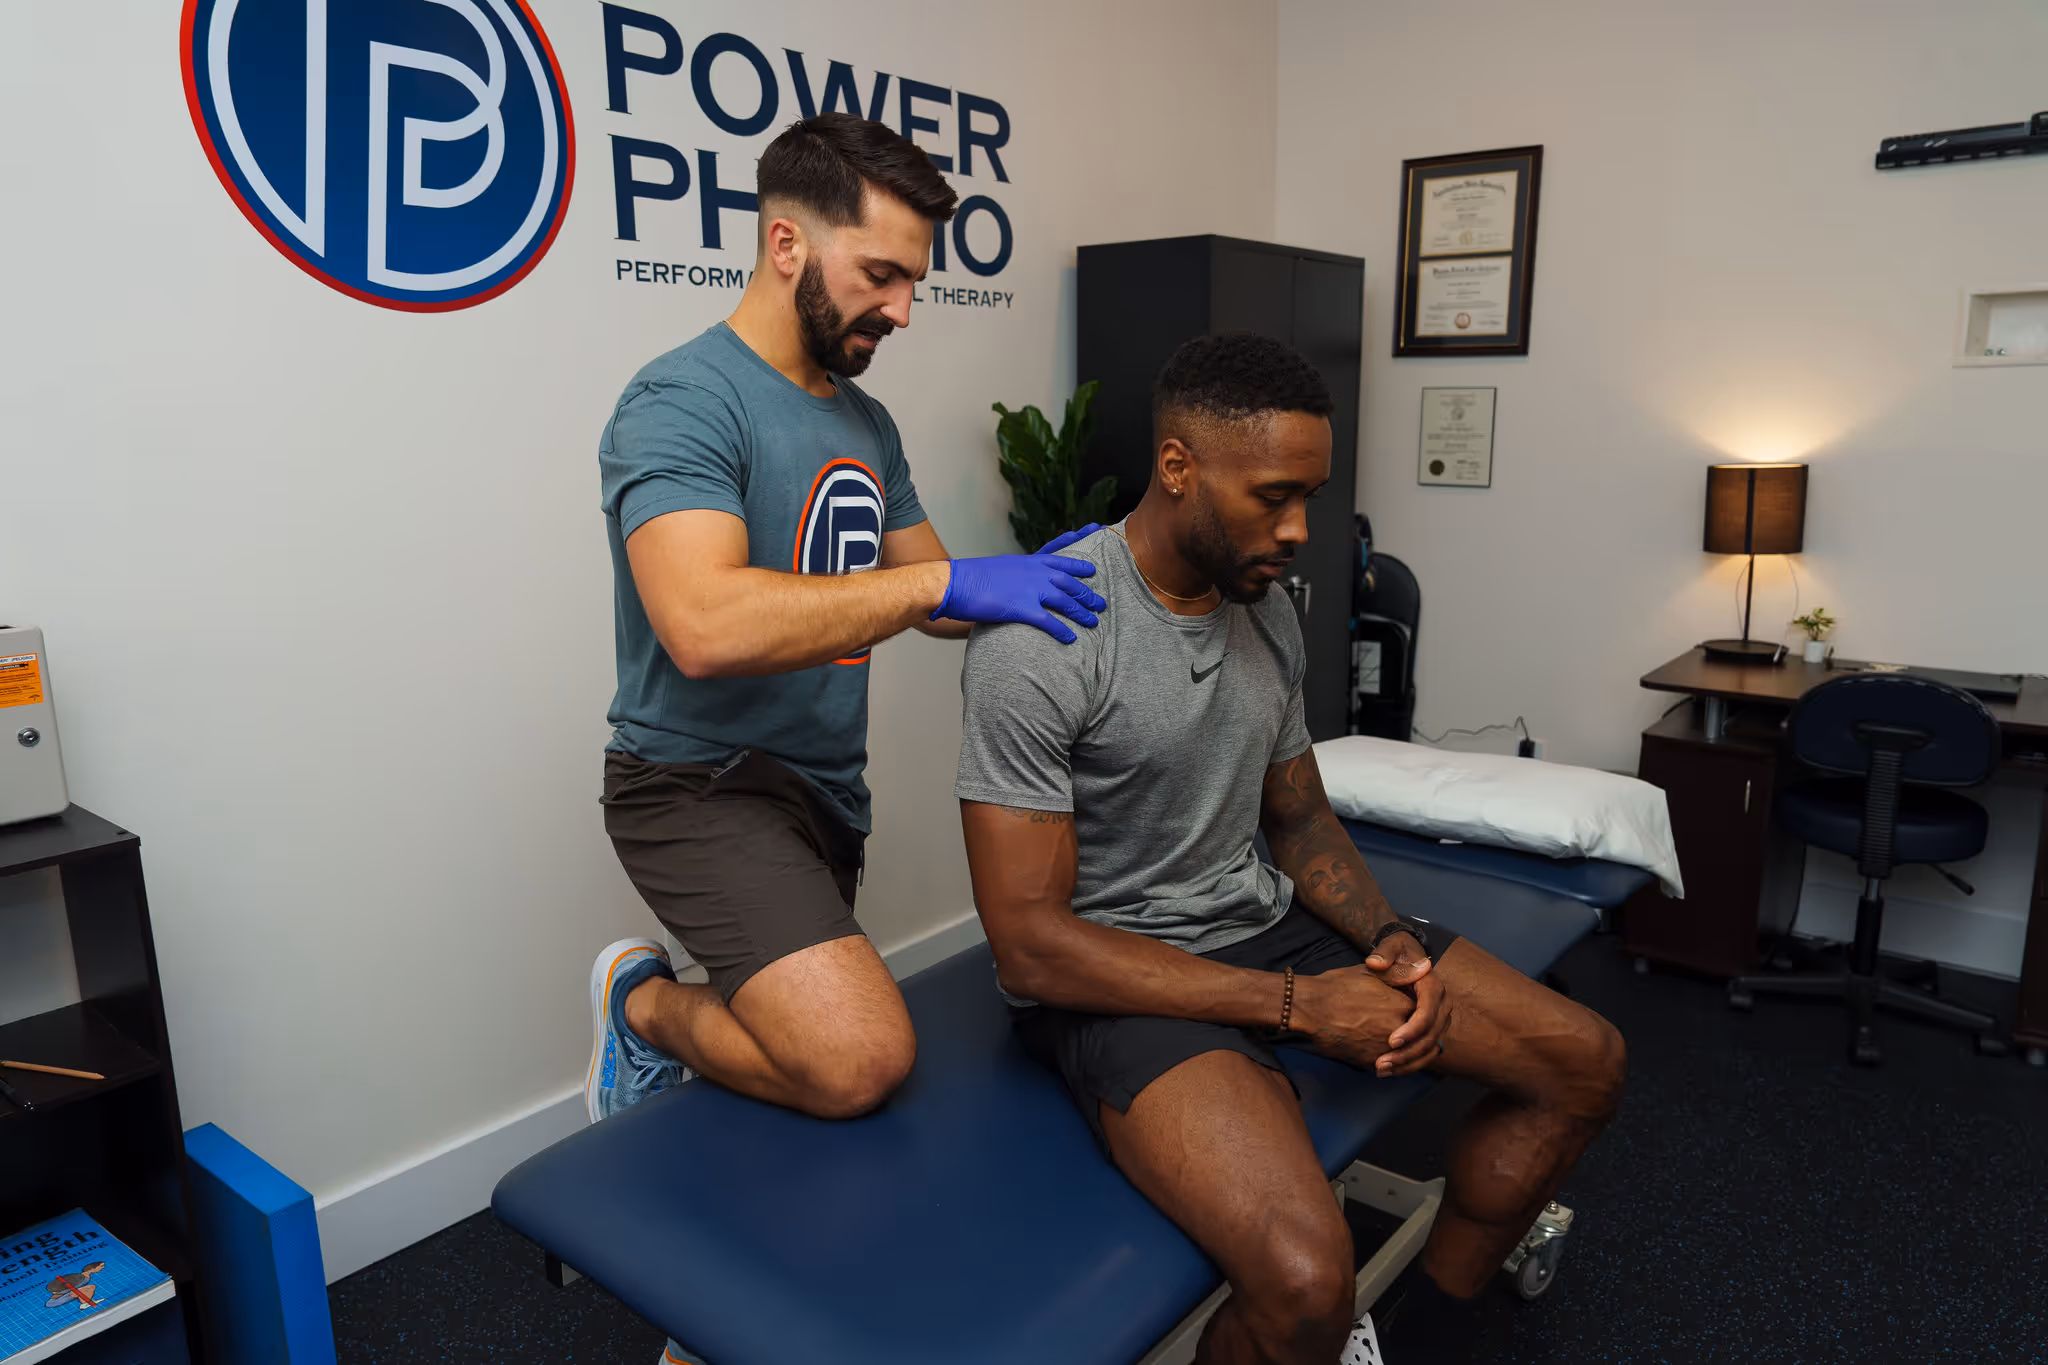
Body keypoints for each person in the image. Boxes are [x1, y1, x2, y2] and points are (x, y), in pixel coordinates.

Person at [954, 332, 1627, 1364]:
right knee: (1308, 1285)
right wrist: (1299, 1011)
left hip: (1262, 924)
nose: (1298, 528)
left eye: (1307, 496)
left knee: (1581, 1063)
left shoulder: (1262, 607)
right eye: (1272, 496)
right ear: (1177, 467)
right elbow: (1032, 953)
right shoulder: (1046, 638)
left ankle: (1427, 1336)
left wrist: (1387, 940)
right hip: (1118, 977)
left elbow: (1300, 819)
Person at [585, 112, 1107, 1145]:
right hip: (695, 783)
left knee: (798, 1072)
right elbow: (701, 624)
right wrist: (943, 586)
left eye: (914, 281)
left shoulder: (865, 423)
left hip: (824, 794)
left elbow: (934, 594)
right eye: (880, 274)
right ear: (787, 246)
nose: (904, 309)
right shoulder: (681, 400)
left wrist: (1033, 579)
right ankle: (635, 1006)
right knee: (856, 1059)